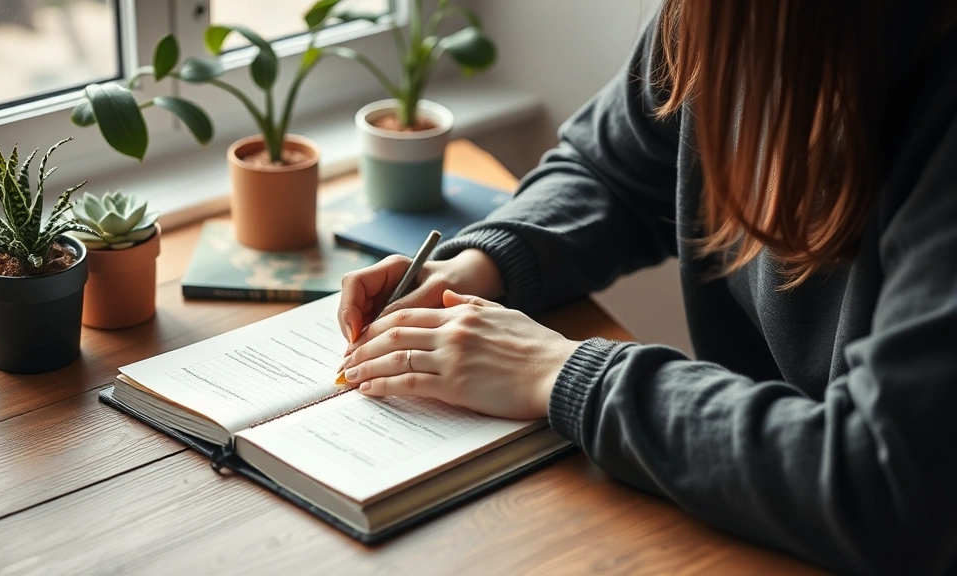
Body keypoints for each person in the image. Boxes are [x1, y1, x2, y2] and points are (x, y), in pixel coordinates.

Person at [336, 1, 957, 573]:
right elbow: (615, 169)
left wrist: (563, 372)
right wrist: (490, 259)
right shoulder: (727, 17)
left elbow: (885, 484)